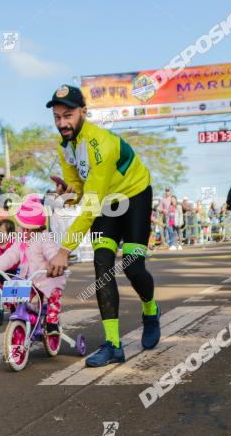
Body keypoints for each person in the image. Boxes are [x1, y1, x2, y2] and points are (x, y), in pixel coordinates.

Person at [43, 84, 160, 368]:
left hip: (133, 195)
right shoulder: (66, 146)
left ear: (84, 111)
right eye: (57, 117)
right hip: (106, 203)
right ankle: (113, 345)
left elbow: (91, 203)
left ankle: (150, 310)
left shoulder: (101, 145)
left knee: (132, 266)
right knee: (102, 266)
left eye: (68, 115)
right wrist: (67, 193)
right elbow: (83, 191)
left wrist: (64, 250)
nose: (62, 123)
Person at [0, 196, 66, 335]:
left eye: (22, 226)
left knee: (54, 293)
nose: (20, 229)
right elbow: (10, 255)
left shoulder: (44, 238)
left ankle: (52, 322)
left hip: (46, 277)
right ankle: (27, 320)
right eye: (20, 226)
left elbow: (52, 252)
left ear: (32, 227)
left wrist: (55, 263)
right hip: (27, 279)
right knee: (18, 297)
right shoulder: (20, 240)